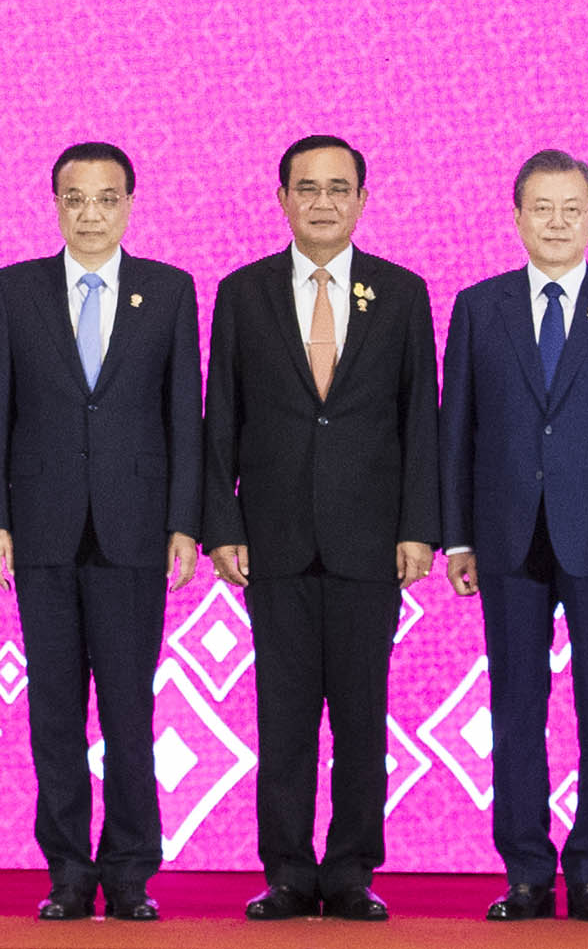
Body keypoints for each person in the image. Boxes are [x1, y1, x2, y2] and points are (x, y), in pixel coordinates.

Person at [201, 134, 439, 922]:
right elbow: (221, 417)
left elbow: (421, 419)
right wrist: (221, 524)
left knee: (363, 717)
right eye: (308, 188)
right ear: (283, 200)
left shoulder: (401, 293)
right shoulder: (243, 293)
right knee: (285, 716)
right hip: (273, 539)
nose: (324, 202)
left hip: (371, 541)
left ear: (362, 201)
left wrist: (419, 528)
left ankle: (350, 871)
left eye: (339, 188)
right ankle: (287, 871)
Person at [0, 141, 205, 922]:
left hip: (135, 530)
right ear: (56, 205)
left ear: (130, 205)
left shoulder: (169, 290)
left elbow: (184, 416)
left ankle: (131, 869)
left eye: (107, 199)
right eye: (75, 199)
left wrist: (184, 523)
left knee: (130, 711)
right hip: (41, 529)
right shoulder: (15, 290)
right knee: (54, 713)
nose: (91, 214)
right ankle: (69, 871)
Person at [440, 151, 588, 924]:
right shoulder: (480, 307)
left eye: (572, 208)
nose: (557, 222)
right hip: (505, 536)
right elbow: (457, 429)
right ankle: (527, 873)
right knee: (516, 709)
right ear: (517, 217)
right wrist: (456, 537)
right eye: (542, 208)